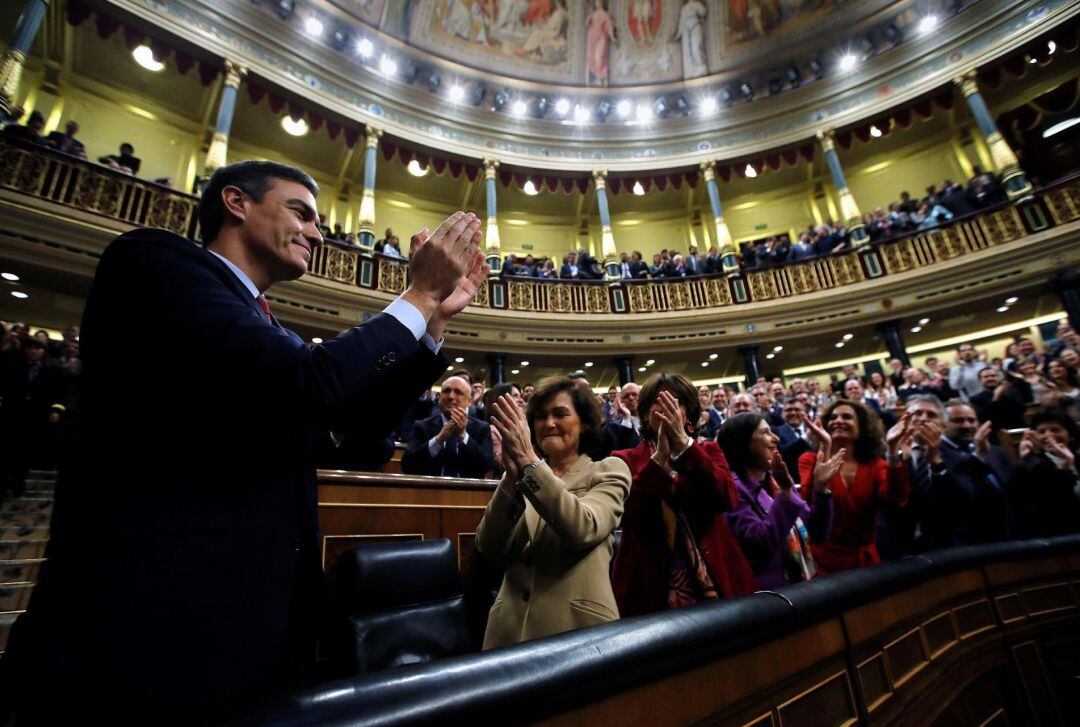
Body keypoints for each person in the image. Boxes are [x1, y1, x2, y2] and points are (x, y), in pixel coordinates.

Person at [0, 161, 488, 722]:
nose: (317, 232)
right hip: (136, 636)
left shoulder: (272, 334)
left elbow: (356, 439)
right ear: (236, 202)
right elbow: (314, 384)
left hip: (248, 639)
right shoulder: (156, 264)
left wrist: (430, 327)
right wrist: (418, 291)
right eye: (300, 212)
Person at [476, 378, 631, 648]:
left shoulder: (608, 470)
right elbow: (488, 547)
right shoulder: (520, 476)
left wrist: (529, 463)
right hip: (508, 635)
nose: (548, 424)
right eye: (540, 416)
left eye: (560, 414)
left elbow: (582, 528)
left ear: (583, 423)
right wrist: (511, 480)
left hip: (579, 636)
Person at [610, 373, 757, 617]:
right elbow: (625, 514)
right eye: (658, 400)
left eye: (675, 400)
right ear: (645, 414)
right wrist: (658, 466)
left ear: (688, 413)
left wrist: (685, 447)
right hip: (648, 587)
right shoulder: (624, 459)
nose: (666, 406)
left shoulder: (708, 450)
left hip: (716, 577)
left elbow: (727, 498)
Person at [718, 413, 832, 588]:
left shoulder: (778, 481)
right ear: (743, 443)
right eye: (765, 433)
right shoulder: (733, 488)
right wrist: (786, 495)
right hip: (770, 597)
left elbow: (818, 533)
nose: (776, 438)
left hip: (804, 586)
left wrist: (821, 488)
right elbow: (760, 544)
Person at [797, 400, 911, 573]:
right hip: (824, 565)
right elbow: (809, 508)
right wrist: (825, 447)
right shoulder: (809, 460)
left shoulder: (874, 464)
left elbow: (896, 499)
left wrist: (894, 449)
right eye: (833, 417)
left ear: (862, 427)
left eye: (847, 417)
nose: (838, 420)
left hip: (865, 564)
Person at [939, 400, 1014, 545]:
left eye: (971, 420)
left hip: (1009, 532)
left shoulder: (995, 451)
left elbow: (1014, 488)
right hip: (972, 541)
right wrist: (978, 458)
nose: (967, 426)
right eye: (958, 421)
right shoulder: (937, 456)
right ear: (943, 424)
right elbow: (961, 501)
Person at [1005, 407, 1080, 539]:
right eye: (1041, 431)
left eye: (1055, 429)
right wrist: (1066, 466)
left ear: (1071, 435)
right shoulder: (1033, 466)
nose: (1048, 436)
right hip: (1061, 537)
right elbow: (1056, 508)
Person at [401, 375, 494, 478]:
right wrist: (438, 439)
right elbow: (407, 465)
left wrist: (464, 436)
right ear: (439, 396)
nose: (450, 396)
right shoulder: (422, 426)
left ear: (469, 401)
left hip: (469, 492)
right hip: (430, 491)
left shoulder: (482, 428)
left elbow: (486, 466)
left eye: (458, 392)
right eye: (446, 391)